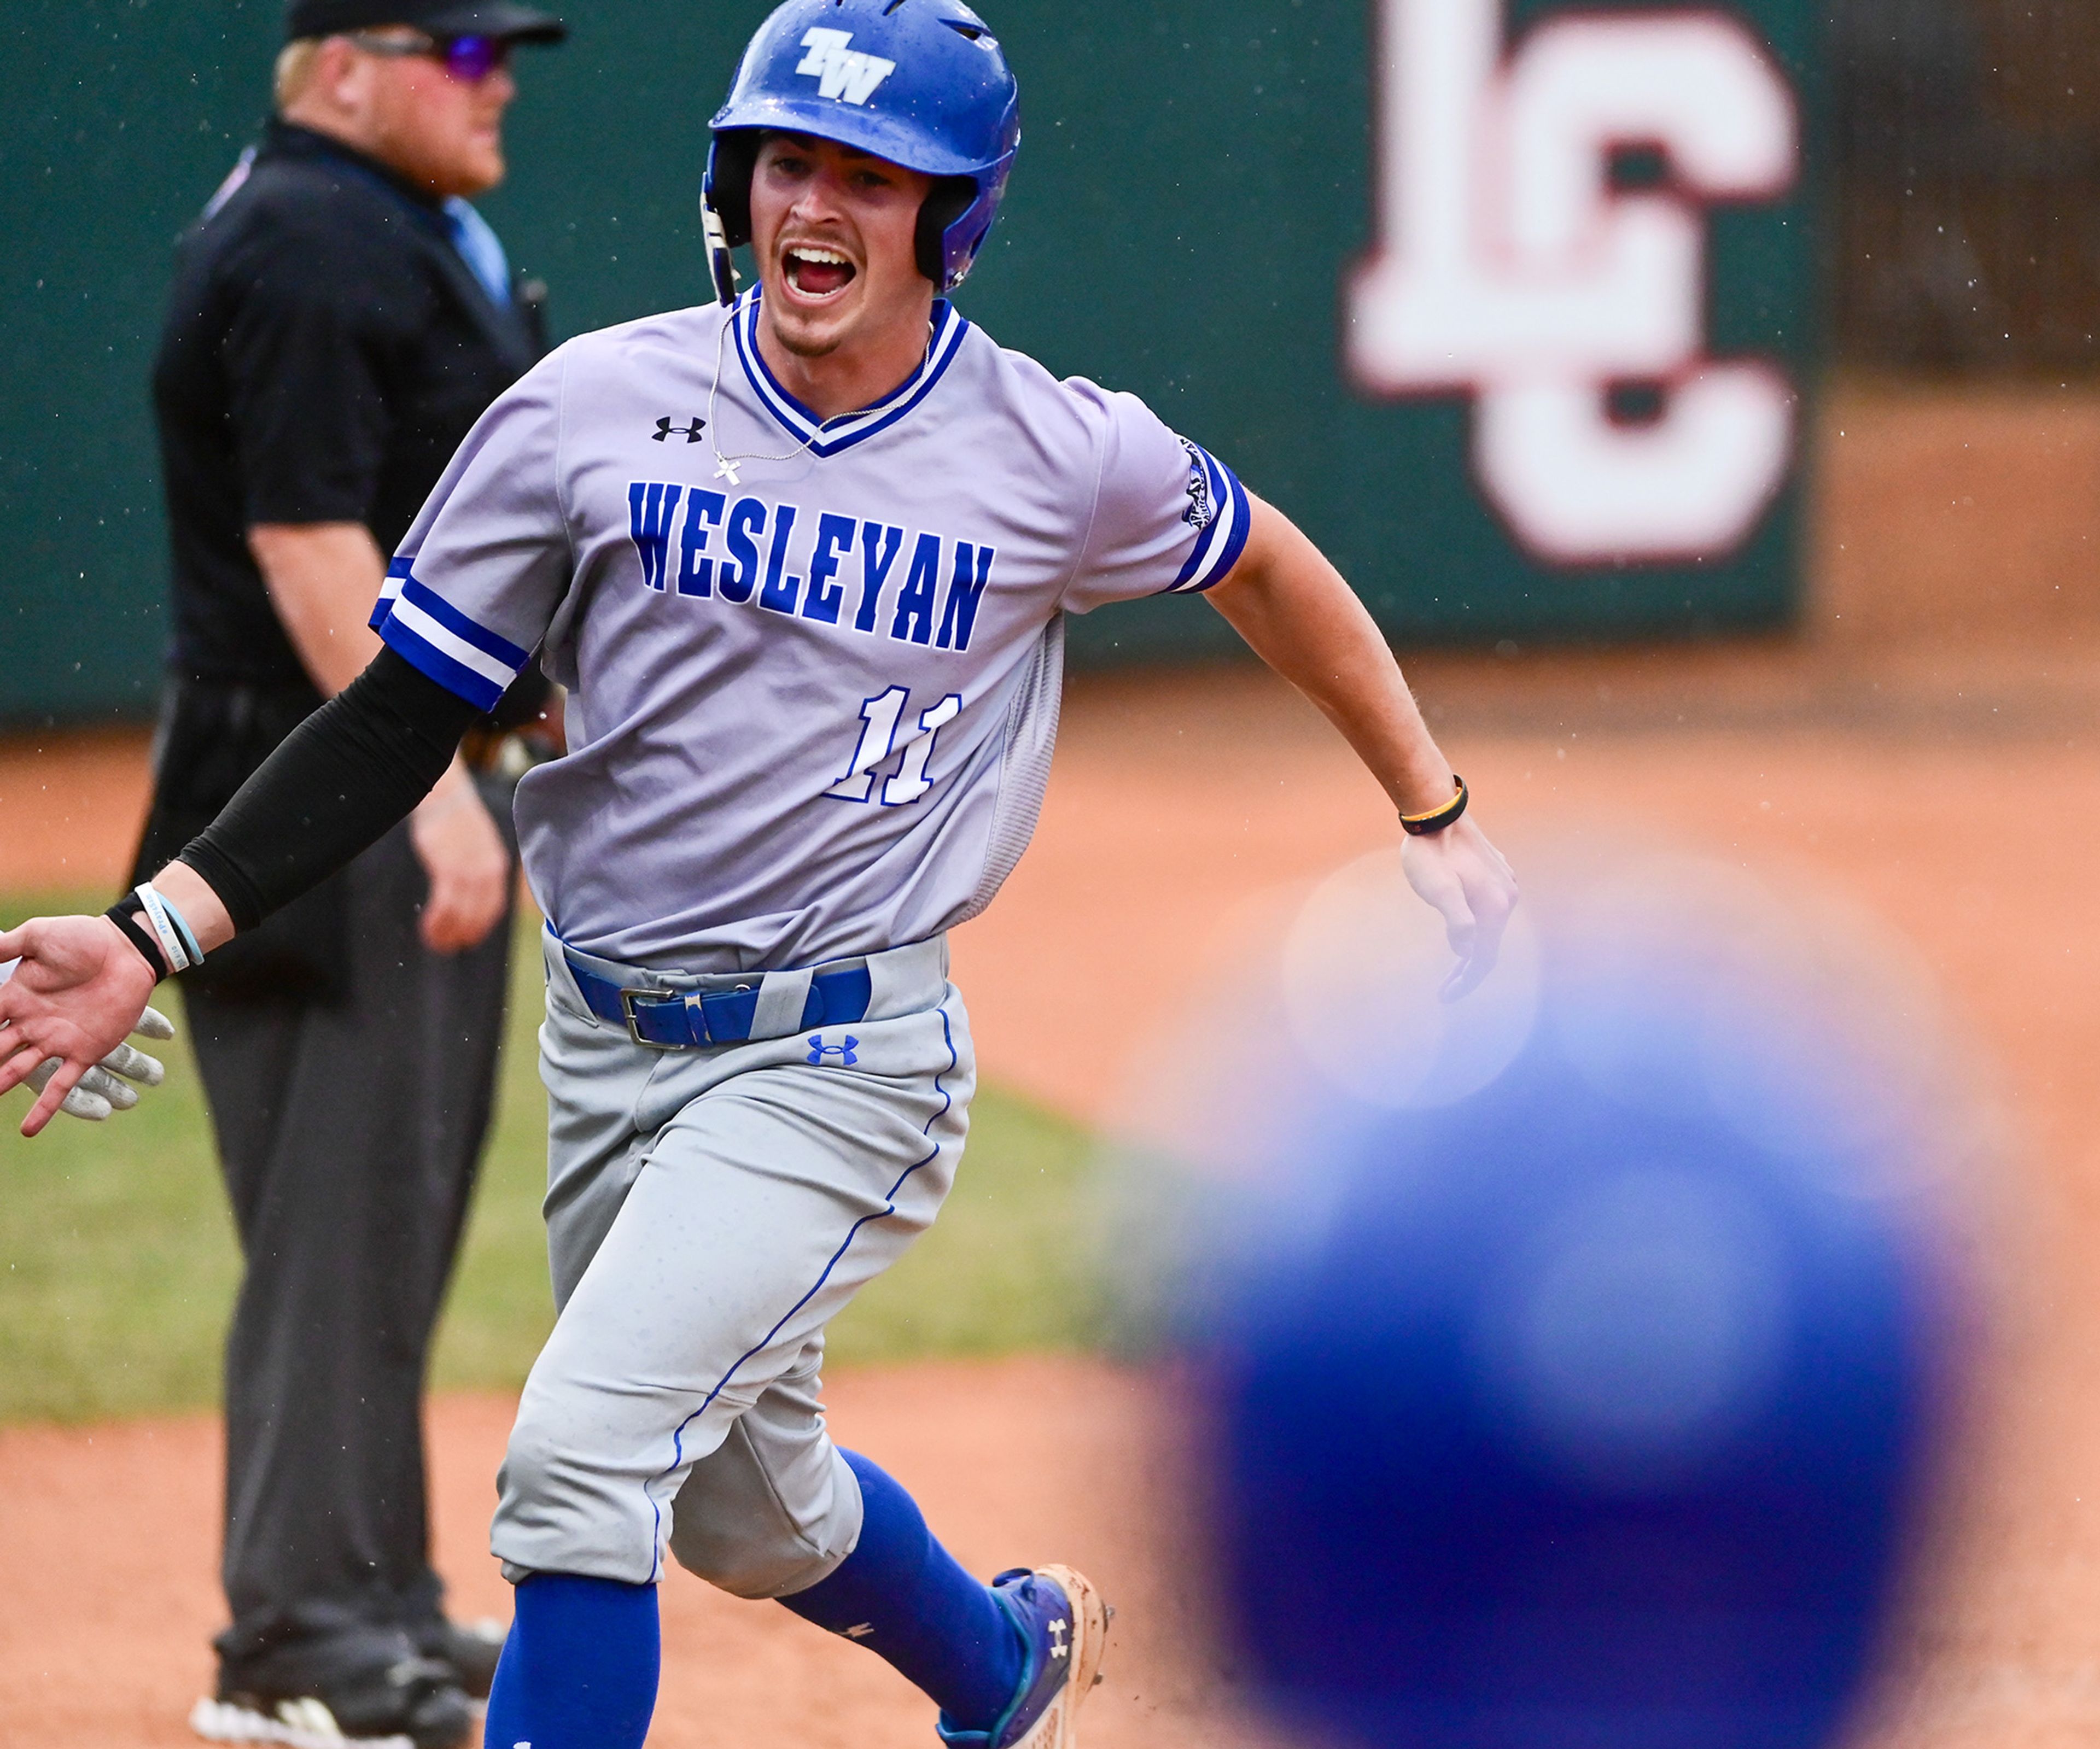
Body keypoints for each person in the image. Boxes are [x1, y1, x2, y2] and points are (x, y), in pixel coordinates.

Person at [0, 3, 1519, 1746]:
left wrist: (1433, 808)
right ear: (735, 179)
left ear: (956, 221)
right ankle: (1004, 1666)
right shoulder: (589, 409)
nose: (820, 202)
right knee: (742, 1511)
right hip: (610, 1046)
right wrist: (150, 933)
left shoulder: (1055, 453)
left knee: (581, 1466)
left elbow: (1262, 562)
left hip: (838, 1062)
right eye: (791, 158)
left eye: (877, 176)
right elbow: (399, 710)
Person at [127, 3, 564, 1744]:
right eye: (462, 52)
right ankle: (300, 1637)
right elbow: (311, 539)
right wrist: (432, 793)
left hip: (336, 773)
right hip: (317, 791)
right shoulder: (310, 234)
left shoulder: (359, 219)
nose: (501, 78)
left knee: (386, 1220)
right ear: (346, 71)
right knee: (339, 1216)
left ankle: (375, 1592)